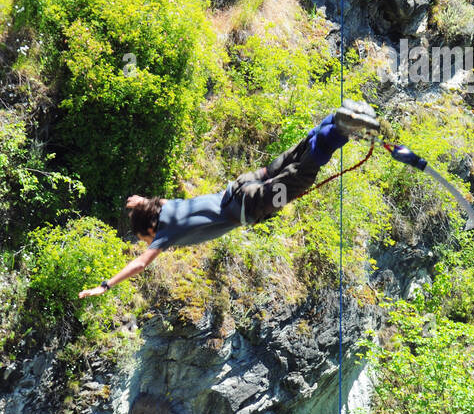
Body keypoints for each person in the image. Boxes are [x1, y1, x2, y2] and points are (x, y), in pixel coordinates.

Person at [77, 102, 380, 297]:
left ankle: (341, 128)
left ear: (151, 228)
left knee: (301, 176)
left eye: (144, 237)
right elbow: (150, 204)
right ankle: (335, 119)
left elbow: (140, 265)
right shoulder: (168, 206)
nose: (146, 243)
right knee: (295, 155)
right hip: (243, 183)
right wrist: (139, 202)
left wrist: (105, 285)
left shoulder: (165, 234)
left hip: (249, 205)